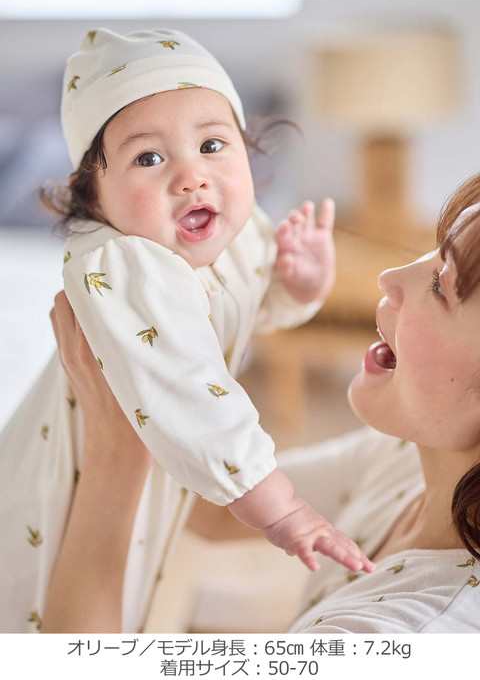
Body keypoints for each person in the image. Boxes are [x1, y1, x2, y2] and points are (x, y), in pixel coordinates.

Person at [0, 27, 372, 634]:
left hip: (159, 466)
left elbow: (236, 311)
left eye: (213, 144)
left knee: (140, 586)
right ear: (92, 199)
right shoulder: (123, 265)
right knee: (40, 602)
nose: (191, 177)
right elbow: (193, 389)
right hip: (59, 486)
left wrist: (294, 287)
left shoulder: (234, 228)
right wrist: (281, 508)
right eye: (149, 158)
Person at [44, 174, 480, 633]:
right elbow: (217, 503)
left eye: (440, 284)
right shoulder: (411, 462)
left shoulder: (410, 634)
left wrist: (116, 454)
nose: (389, 278)